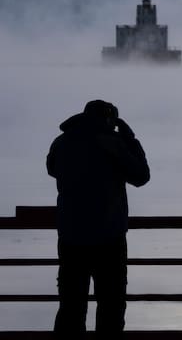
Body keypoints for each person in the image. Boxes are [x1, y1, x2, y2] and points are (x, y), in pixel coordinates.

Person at [46, 100, 150, 338]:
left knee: (71, 309)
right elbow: (141, 176)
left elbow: (51, 168)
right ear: (109, 121)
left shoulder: (62, 143)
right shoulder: (113, 145)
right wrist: (130, 140)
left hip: (71, 239)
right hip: (109, 240)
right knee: (111, 310)